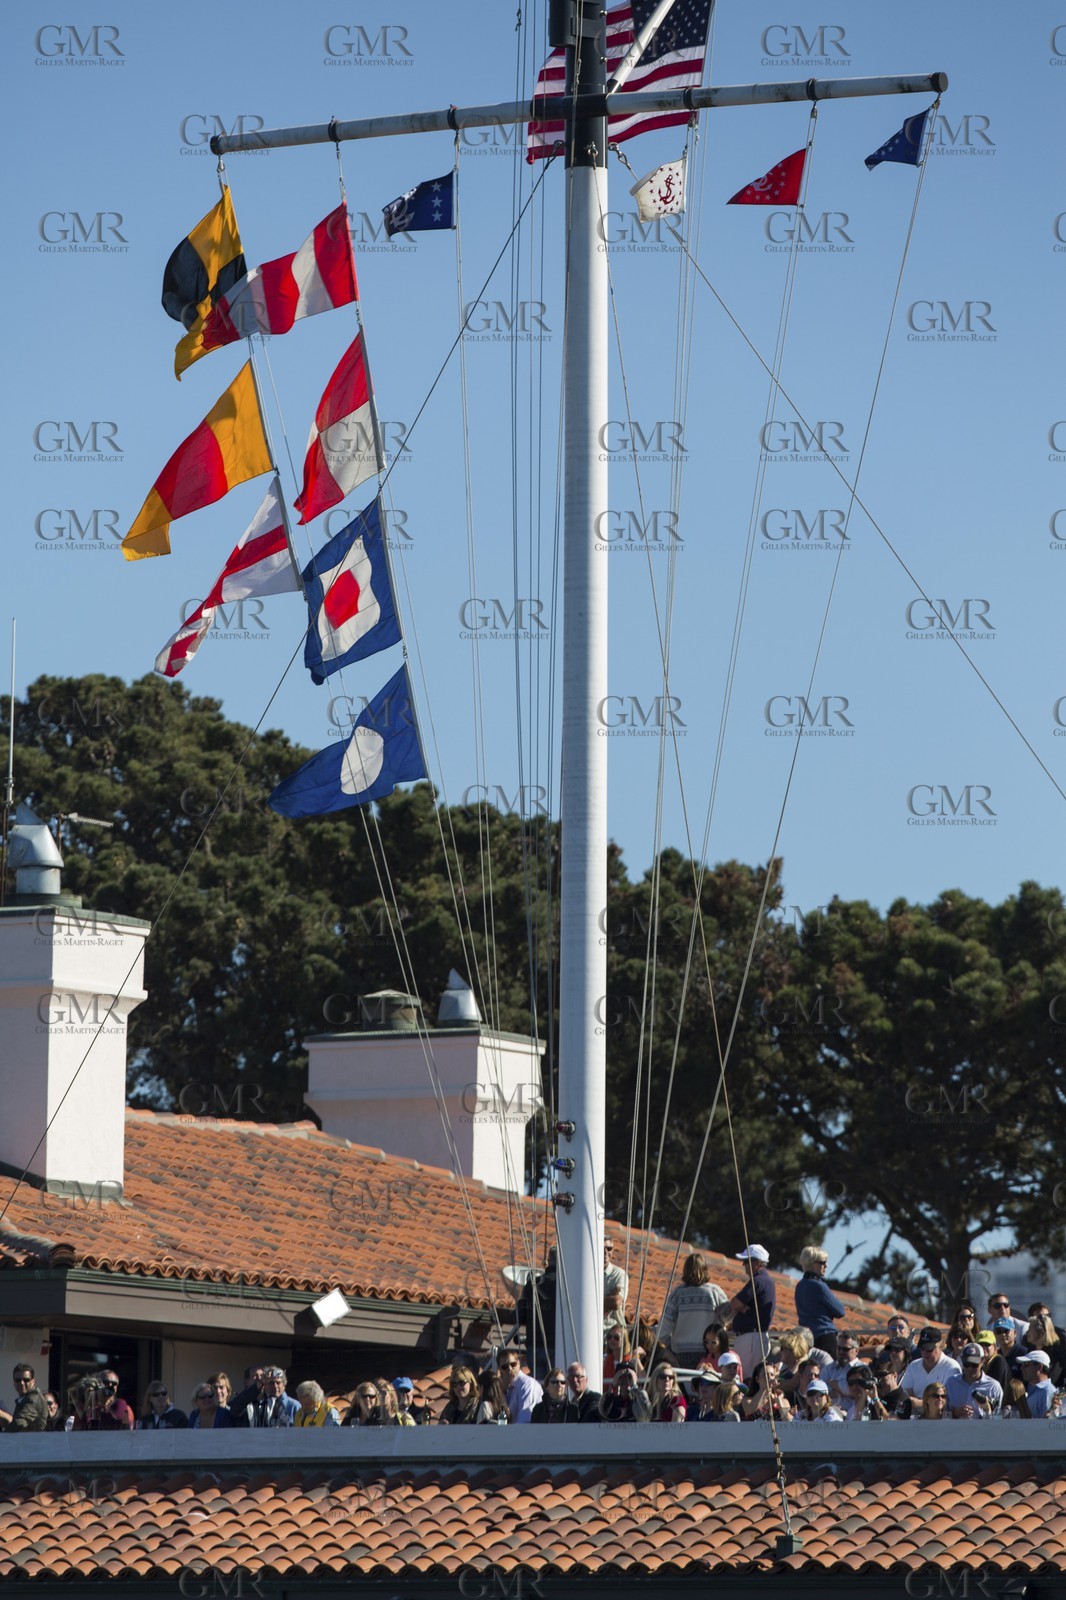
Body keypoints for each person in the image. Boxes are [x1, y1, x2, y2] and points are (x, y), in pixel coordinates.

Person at [658, 1253, 728, 1368]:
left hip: (681, 1355)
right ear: (705, 1269)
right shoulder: (715, 1292)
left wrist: (671, 1346)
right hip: (710, 1353)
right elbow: (728, 1315)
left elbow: (663, 1330)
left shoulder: (677, 1294)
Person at [724, 1245, 776, 1376]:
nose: (743, 1264)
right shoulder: (765, 1281)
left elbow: (735, 1303)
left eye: (747, 1261)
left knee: (744, 1377)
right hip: (754, 1338)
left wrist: (740, 1307)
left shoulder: (758, 1281)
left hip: (751, 1339)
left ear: (757, 1263)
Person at [794, 1247, 846, 1347]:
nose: (826, 1265)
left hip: (807, 1339)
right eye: (822, 1262)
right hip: (825, 1336)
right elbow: (841, 1311)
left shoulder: (800, 1286)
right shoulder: (819, 1286)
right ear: (812, 1263)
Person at [900, 1329, 961, 1401]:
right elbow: (905, 1394)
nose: (925, 1352)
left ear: (941, 1346)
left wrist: (920, 1403)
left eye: (929, 1349)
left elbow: (948, 1401)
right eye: (922, 1349)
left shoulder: (952, 1367)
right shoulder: (913, 1366)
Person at [945, 1346, 1002, 1418]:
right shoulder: (951, 1382)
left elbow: (999, 1419)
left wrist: (987, 1411)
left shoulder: (994, 1387)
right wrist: (955, 1412)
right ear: (962, 1360)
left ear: (982, 1361)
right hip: (955, 1428)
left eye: (974, 1365)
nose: (970, 1368)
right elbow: (942, 1414)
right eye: (967, 1364)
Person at [741, 1354, 791, 1422]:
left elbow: (788, 1421)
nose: (769, 1378)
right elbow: (750, 1410)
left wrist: (779, 1401)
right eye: (765, 1375)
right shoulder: (748, 1400)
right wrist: (764, 1389)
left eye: (772, 1375)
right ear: (757, 1379)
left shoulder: (784, 1401)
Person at [0, 1364, 49, 1432]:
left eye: (26, 1380)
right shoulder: (23, 1399)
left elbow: (19, 1423)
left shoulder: (34, 1399)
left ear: (33, 1381)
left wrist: (4, 1437)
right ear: (14, 1383)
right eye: (18, 1380)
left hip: (35, 1441)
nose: (22, 1383)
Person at [500, 1351, 542, 1424]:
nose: (509, 1369)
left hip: (524, 1433)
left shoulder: (527, 1384)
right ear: (500, 1369)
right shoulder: (504, 1388)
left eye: (513, 1364)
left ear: (518, 1363)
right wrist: (501, 1391)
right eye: (505, 1367)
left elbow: (525, 1419)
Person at [1024, 1313, 1066, 1386]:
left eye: (1030, 1329)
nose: (1027, 1332)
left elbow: (1052, 1379)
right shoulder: (1031, 1350)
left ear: (1041, 1332)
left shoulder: (1056, 1355)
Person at [822, 1332, 862, 1408]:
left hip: (852, 1415)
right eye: (839, 1348)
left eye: (845, 1349)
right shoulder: (829, 1368)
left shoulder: (861, 1369)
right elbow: (820, 1391)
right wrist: (843, 1391)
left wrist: (834, 1384)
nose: (841, 1352)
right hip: (829, 1414)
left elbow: (857, 1392)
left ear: (856, 1351)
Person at [1018, 1350, 1057, 1417]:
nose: (1021, 1368)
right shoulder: (1031, 1388)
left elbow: (1046, 1424)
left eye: (1026, 1364)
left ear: (1039, 1367)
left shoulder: (1047, 1392)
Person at [603, 1239, 629, 1335]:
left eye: (609, 1248)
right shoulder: (587, 1274)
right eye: (602, 1248)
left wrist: (591, 1303)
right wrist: (610, 1296)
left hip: (613, 1336)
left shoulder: (619, 1274)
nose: (606, 1252)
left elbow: (616, 1302)